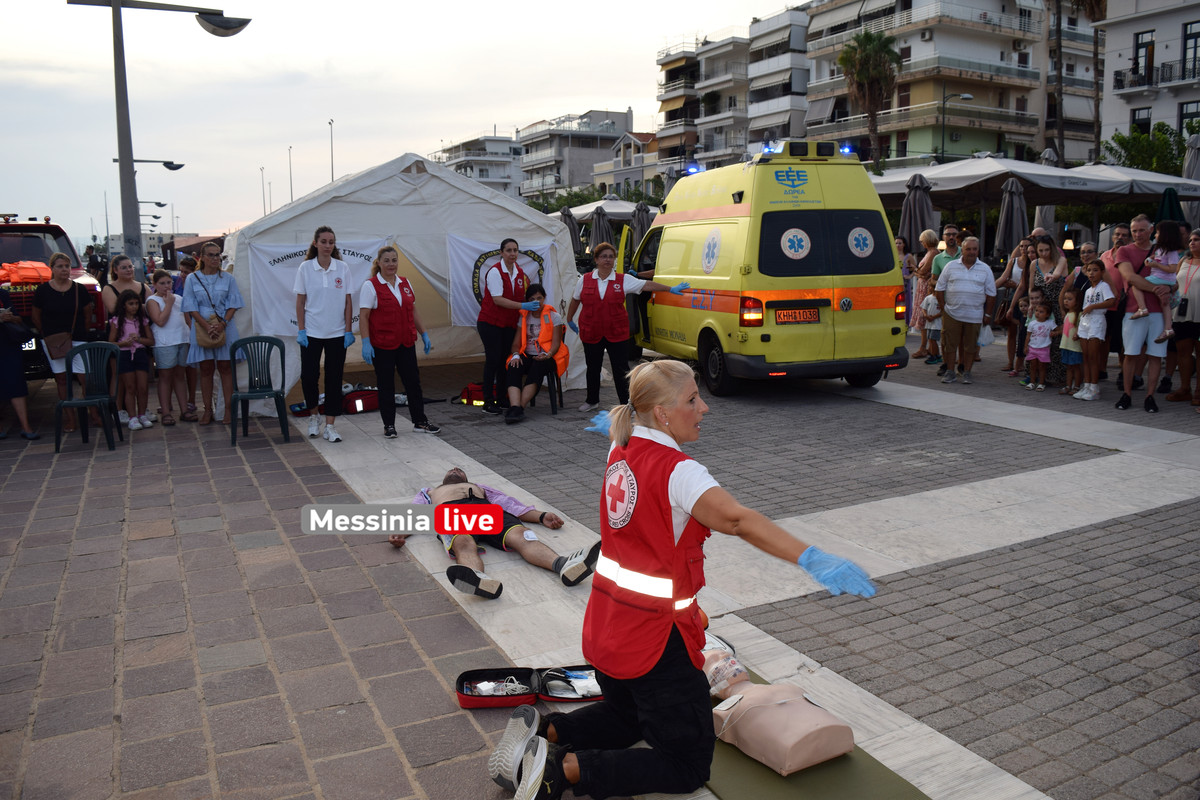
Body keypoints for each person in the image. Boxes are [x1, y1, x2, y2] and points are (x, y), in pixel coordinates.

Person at [490, 360, 876, 800]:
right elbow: (737, 520)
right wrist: (810, 556)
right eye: (692, 399)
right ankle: (562, 771)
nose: (704, 408)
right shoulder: (679, 471)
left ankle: (547, 733)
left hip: (607, 627)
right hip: (656, 641)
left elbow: (624, 434)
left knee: (629, 716)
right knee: (687, 764)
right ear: (662, 413)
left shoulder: (621, 445)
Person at [403, 467, 600, 599]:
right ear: (444, 479)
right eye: (452, 470)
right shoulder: (429, 492)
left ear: (466, 479)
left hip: (487, 511)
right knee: (463, 542)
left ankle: (563, 565)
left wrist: (541, 516)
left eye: (459, 470)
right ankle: (477, 578)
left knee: (522, 536)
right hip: (453, 512)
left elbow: (509, 504)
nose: (455, 470)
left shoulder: (479, 488)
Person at [564, 241, 688, 412]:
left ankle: (627, 403)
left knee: (621, 370)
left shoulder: (623, 280)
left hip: (616, 332)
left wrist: (670, 289)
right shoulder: (584, 280)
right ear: (596, 259)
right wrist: (569, 318)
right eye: (603, 256)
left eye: (611, 257)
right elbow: (576, 299)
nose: (607, 260)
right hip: (591, 332)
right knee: (592, 367)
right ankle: (592, 400)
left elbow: (646, 285)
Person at [358, 244, 440, 439]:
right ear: (379, 263)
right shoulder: (371, 286)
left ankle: (420, 421)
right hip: (383, 345)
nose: (391, 264)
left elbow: (413, 310)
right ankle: (389, 425)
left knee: (413, 383)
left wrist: (424, 333)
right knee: (386, 385)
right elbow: (364, 316)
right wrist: (366, 342)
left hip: (406, 343)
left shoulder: (405, 282)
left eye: (394, 260)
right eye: (386, 261)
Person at [295, 226, 354, 443]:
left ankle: (330, 425)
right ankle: (313, 416)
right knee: (309, 376)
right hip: (311, 332)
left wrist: (348, 330)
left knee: (334, 378)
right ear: (315, 243)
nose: (327, 246)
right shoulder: (305, 268)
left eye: (331, 242)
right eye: (323, 242)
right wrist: (302, 329)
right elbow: (300, 301)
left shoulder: (342, 268)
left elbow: (348, 301)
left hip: (337, 334)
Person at [31, 252, 94, 433]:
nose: (64, 269)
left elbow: (87, 313)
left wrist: (83, 332)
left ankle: (94, 413)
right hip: (54, 340)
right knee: (61, 379)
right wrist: (46, 335)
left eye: (67, 266)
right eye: (60, 266)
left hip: (77, 338)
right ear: (52, 268)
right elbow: (36, 316)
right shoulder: (43, 291)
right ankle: (70, 418)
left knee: (85, 377)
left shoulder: (79, 289)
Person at [1114, 215, 1171, 412]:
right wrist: (1157, 289)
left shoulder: (1162, 250)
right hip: (1134, 310)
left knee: (1156, 355)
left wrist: (1169, 288)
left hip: (1159, 311)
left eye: (1142, 230)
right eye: (1134, 231)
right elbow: (1130, 277)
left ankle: (1150, 396)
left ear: (1151, 230)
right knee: (1130, 353)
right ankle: (1127, 394)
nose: (1138, 234)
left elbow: (1174, 276)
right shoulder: (1124, 250)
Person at [183, 242, 244, 425]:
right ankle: (207, 410)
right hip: (202, 326)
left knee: (226, 367)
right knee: (206, 368)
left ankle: (228, 410)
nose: (215, 258)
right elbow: (190, 305)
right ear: (202, 257)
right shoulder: (192, 279)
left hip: (224, 324)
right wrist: (205, 326)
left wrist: (222, 324)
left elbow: (234, 303)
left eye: (218, 255)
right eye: (211, 255)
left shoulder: (228, 279)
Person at [477, 238, 537, 415]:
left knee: (506, 360)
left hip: (509, 324)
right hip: (490, 323)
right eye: (509, 250)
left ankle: (502, 398)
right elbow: (497, 299)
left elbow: (522, 296)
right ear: (501, 253)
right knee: (493, 360)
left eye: (515, 250)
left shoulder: (519, 273)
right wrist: (522, 305)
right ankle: (488, 401)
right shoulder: (495, 272)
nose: (513, 254)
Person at [934, 236, 996, 386]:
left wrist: (987, 314)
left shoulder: (985, 269)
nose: (972, 252)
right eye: (968, 249)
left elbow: (991, 294)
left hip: (974, 315)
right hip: (952, 313)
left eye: (974, 249)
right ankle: (950, 372)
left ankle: (967, 372)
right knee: (949, 345)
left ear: (978, 251)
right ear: (962, 250)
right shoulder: (950, 266)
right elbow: (939, 288)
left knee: (971, 346)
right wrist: (943, 309)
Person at [504, 283, 567, 424]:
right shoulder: (524, 317)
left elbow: (556, 343)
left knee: (537, 368)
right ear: (527, 301)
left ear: (544, 298)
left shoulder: (554, 316)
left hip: (547, 356)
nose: (536, 302)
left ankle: (519, 408)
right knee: (513, 366)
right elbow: (516, 344)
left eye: (539, 298)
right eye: (532, 299)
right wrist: (515, 355)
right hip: (528, 354)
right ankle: (515, 407)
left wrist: (548, 354)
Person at [102, 254, 152, 423]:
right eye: (124, 267)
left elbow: (153, 306)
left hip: (140, 337)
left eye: (130, 266)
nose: (128, 270)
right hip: (120, 336)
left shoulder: (143, 286)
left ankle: (142, 411)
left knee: (142, 379)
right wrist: (141, 306)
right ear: (115, 270)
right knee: (118, 376)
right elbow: (113, 308)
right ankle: (118, 410)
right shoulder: (109, 288)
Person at [147, 269, 193, 424]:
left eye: (169, 282)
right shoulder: (153, 301)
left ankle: (184, 410)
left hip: (181, 339)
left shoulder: (178, 298)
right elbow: (160, 321)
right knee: (165, 377)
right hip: (165, 342)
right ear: (155, 285)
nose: (166, 286)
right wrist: (168, 304)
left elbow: (187, 319)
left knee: (180, 376)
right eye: (162, 283)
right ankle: (166, 411)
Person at [1131, 220, 1183, 344]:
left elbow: (1173, 268)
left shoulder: (1171, 252)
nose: (1155, 235)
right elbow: (1158, 257)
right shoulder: (1161, 249)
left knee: (1136, 284)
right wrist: (1151, 258)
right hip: (1162, 279)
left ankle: (1142, 308)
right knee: (1164, 303)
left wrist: (1156, 265)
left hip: (1162, 279)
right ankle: (1168, 328)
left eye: (1158, 233)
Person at [109, 289, 155, 430]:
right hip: (124, 354)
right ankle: (132, 416)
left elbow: (151, 341)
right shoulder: (117, 321)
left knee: (143, 386)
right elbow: (111, 343)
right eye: (131, 304)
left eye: (136, 303)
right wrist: (123, 343)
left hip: (140, 353)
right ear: (123, 305)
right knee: (130, 387)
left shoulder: (142, 320)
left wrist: (139, 339)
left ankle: (142, 414)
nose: (134, 307)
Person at [1165, 228, 1200, 406]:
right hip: (1181, 313)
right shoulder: (1184, 260)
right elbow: (1174, 282)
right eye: (1191, 240)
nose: (1192, 242)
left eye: (1197, 240)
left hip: (1199, 313)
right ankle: (1185, 389)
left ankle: (1199, 391)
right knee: (1183, 352)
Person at [1074, 260, 1117, 401]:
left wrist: (1093, 307)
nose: (1091, 273)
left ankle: (1094, 386)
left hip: (1097, 321)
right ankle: (1086, 385)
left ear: (1102, 272)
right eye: (1089, 270)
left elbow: (1111, 301)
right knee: (1086, 356)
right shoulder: (1088, 290)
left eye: (1095, 270)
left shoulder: (1104, 286)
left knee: (1093, 356)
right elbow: (1084, 309)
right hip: (1085, 322)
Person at [0, 288, 38, 440]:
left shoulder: (3, 294)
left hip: (8, 344)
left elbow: (19, 319)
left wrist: (11, 318)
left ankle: (26, 426)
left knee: (16, 382)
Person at [1101, 223, 1132, 375]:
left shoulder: (1132, 255)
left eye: (1124, 235)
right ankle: (1101, 369)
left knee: (1123, 339)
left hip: (1126, 304)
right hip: (1106, 304)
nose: (1120, 237)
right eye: (1117, 234)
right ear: (1112, 237)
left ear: (1129, 238)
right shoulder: (1104, 256)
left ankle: (1123, 372)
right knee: (1104, 338)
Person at [995, 237, 1029, 373]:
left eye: (1026, 246)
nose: (1024, 249)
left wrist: (1016, 285)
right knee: (1012, 332)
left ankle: (1022, 362)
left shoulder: (1033, 262)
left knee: (1025, 332)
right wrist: (990, 288)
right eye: (1021, 246)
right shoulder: (1014, 261)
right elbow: (1003, 277)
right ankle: (1010, 362)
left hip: (1028, 298)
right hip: (1013, 298)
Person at [910, 229, 939, 360]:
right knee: (924, 316)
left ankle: (924, 347)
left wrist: (916, 270)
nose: (922, 243)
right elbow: (921, 272)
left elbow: (923, 272)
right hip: (923, 286)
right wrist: (918, 271)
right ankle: (926, 347)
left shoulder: (933, 253)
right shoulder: (930, 253)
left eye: (922, 241)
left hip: (926, 288)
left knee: (924, 315)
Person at [1057, 287, 1084, 395]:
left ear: (1077, 301)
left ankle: (1077, 386)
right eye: (1065, 299)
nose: (1066, 301)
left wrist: (1077, 333)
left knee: (1076, 367)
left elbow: (1080, 327)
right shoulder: (1067, 314)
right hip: (1066, 345)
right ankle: (1068, 385)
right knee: (1068, 367)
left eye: (1069, 299)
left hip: (1075, 347)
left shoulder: (1080, 314)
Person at [896, 235, 916, 332]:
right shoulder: (893, 255)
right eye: (896, 243)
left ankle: (906, 325)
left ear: (904, 244)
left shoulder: (908, 256)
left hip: (905, 284)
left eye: (900, 243)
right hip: (895, 283)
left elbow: (915, 269)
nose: (898, 245)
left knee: (906, 305)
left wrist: (909, 276)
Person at [919, 291, 942, 365]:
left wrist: (933, 317)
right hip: (929, 324)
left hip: (937, 324)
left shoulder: (941, 299)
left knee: (933, 339)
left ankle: (933, 356)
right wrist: (926, 315)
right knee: (931, 340)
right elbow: (923, 308)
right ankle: (937, 355)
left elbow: (942, 311)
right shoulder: (928, 298)